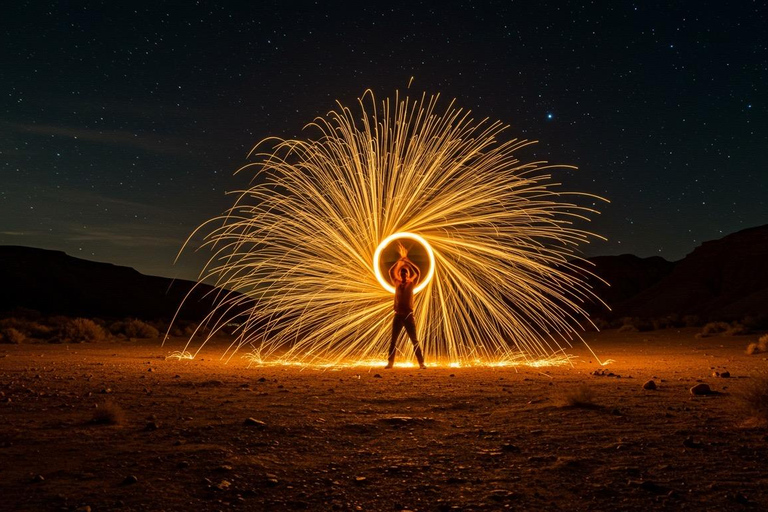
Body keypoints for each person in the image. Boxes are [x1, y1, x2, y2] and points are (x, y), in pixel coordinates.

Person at [385, 246, 426, 369]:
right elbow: (390, 272)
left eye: (405, 273)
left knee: (414, 340)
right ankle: (390, 363)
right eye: (402, 272)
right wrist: (399, 261)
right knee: (393, 341)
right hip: (398, 315)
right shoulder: (397, 282)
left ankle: (421, 363)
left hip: (408, 316)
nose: (403, 274)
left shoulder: (411, 283)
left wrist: (407, 261)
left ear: (408, 275)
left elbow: (418, 272)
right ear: (400, 274)